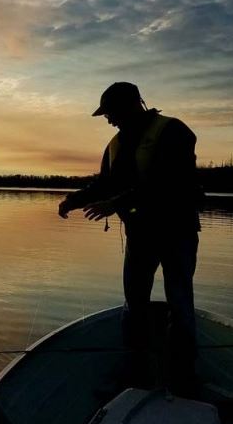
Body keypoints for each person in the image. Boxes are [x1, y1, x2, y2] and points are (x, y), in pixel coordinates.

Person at [58, 82, 203, 396]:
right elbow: (104, 185)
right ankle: (135, 375)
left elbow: (169, 183)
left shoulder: (174, 131)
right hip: (141, 235)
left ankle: (184, 377)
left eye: (110, 112)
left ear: (131, 105)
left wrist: (116, 204)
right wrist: (73, 200)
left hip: (177, 232)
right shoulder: (114, 145)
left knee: (179, 303)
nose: (108, 120)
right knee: (134, 304)